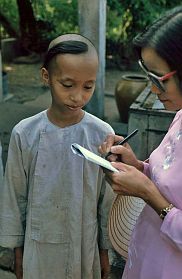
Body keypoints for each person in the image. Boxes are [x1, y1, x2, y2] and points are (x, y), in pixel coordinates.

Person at [0, 33, 115, 279]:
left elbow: (107, 201)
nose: (78, 96)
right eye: (67, 84)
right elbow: (14, 196)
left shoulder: (102, 134)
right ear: (46, 77)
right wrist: (17, 255)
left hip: (85, 247)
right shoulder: (25, 133)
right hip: (38, 249)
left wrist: (105, 252)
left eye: (88, 86)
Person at [99, 6, 182, 279]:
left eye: (158, 79)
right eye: (147, 76)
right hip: (145, 257)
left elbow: (160, 195)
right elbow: (169, 177)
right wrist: (137, 166)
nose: (153, 90)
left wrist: (148, 193)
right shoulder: (180, 115)